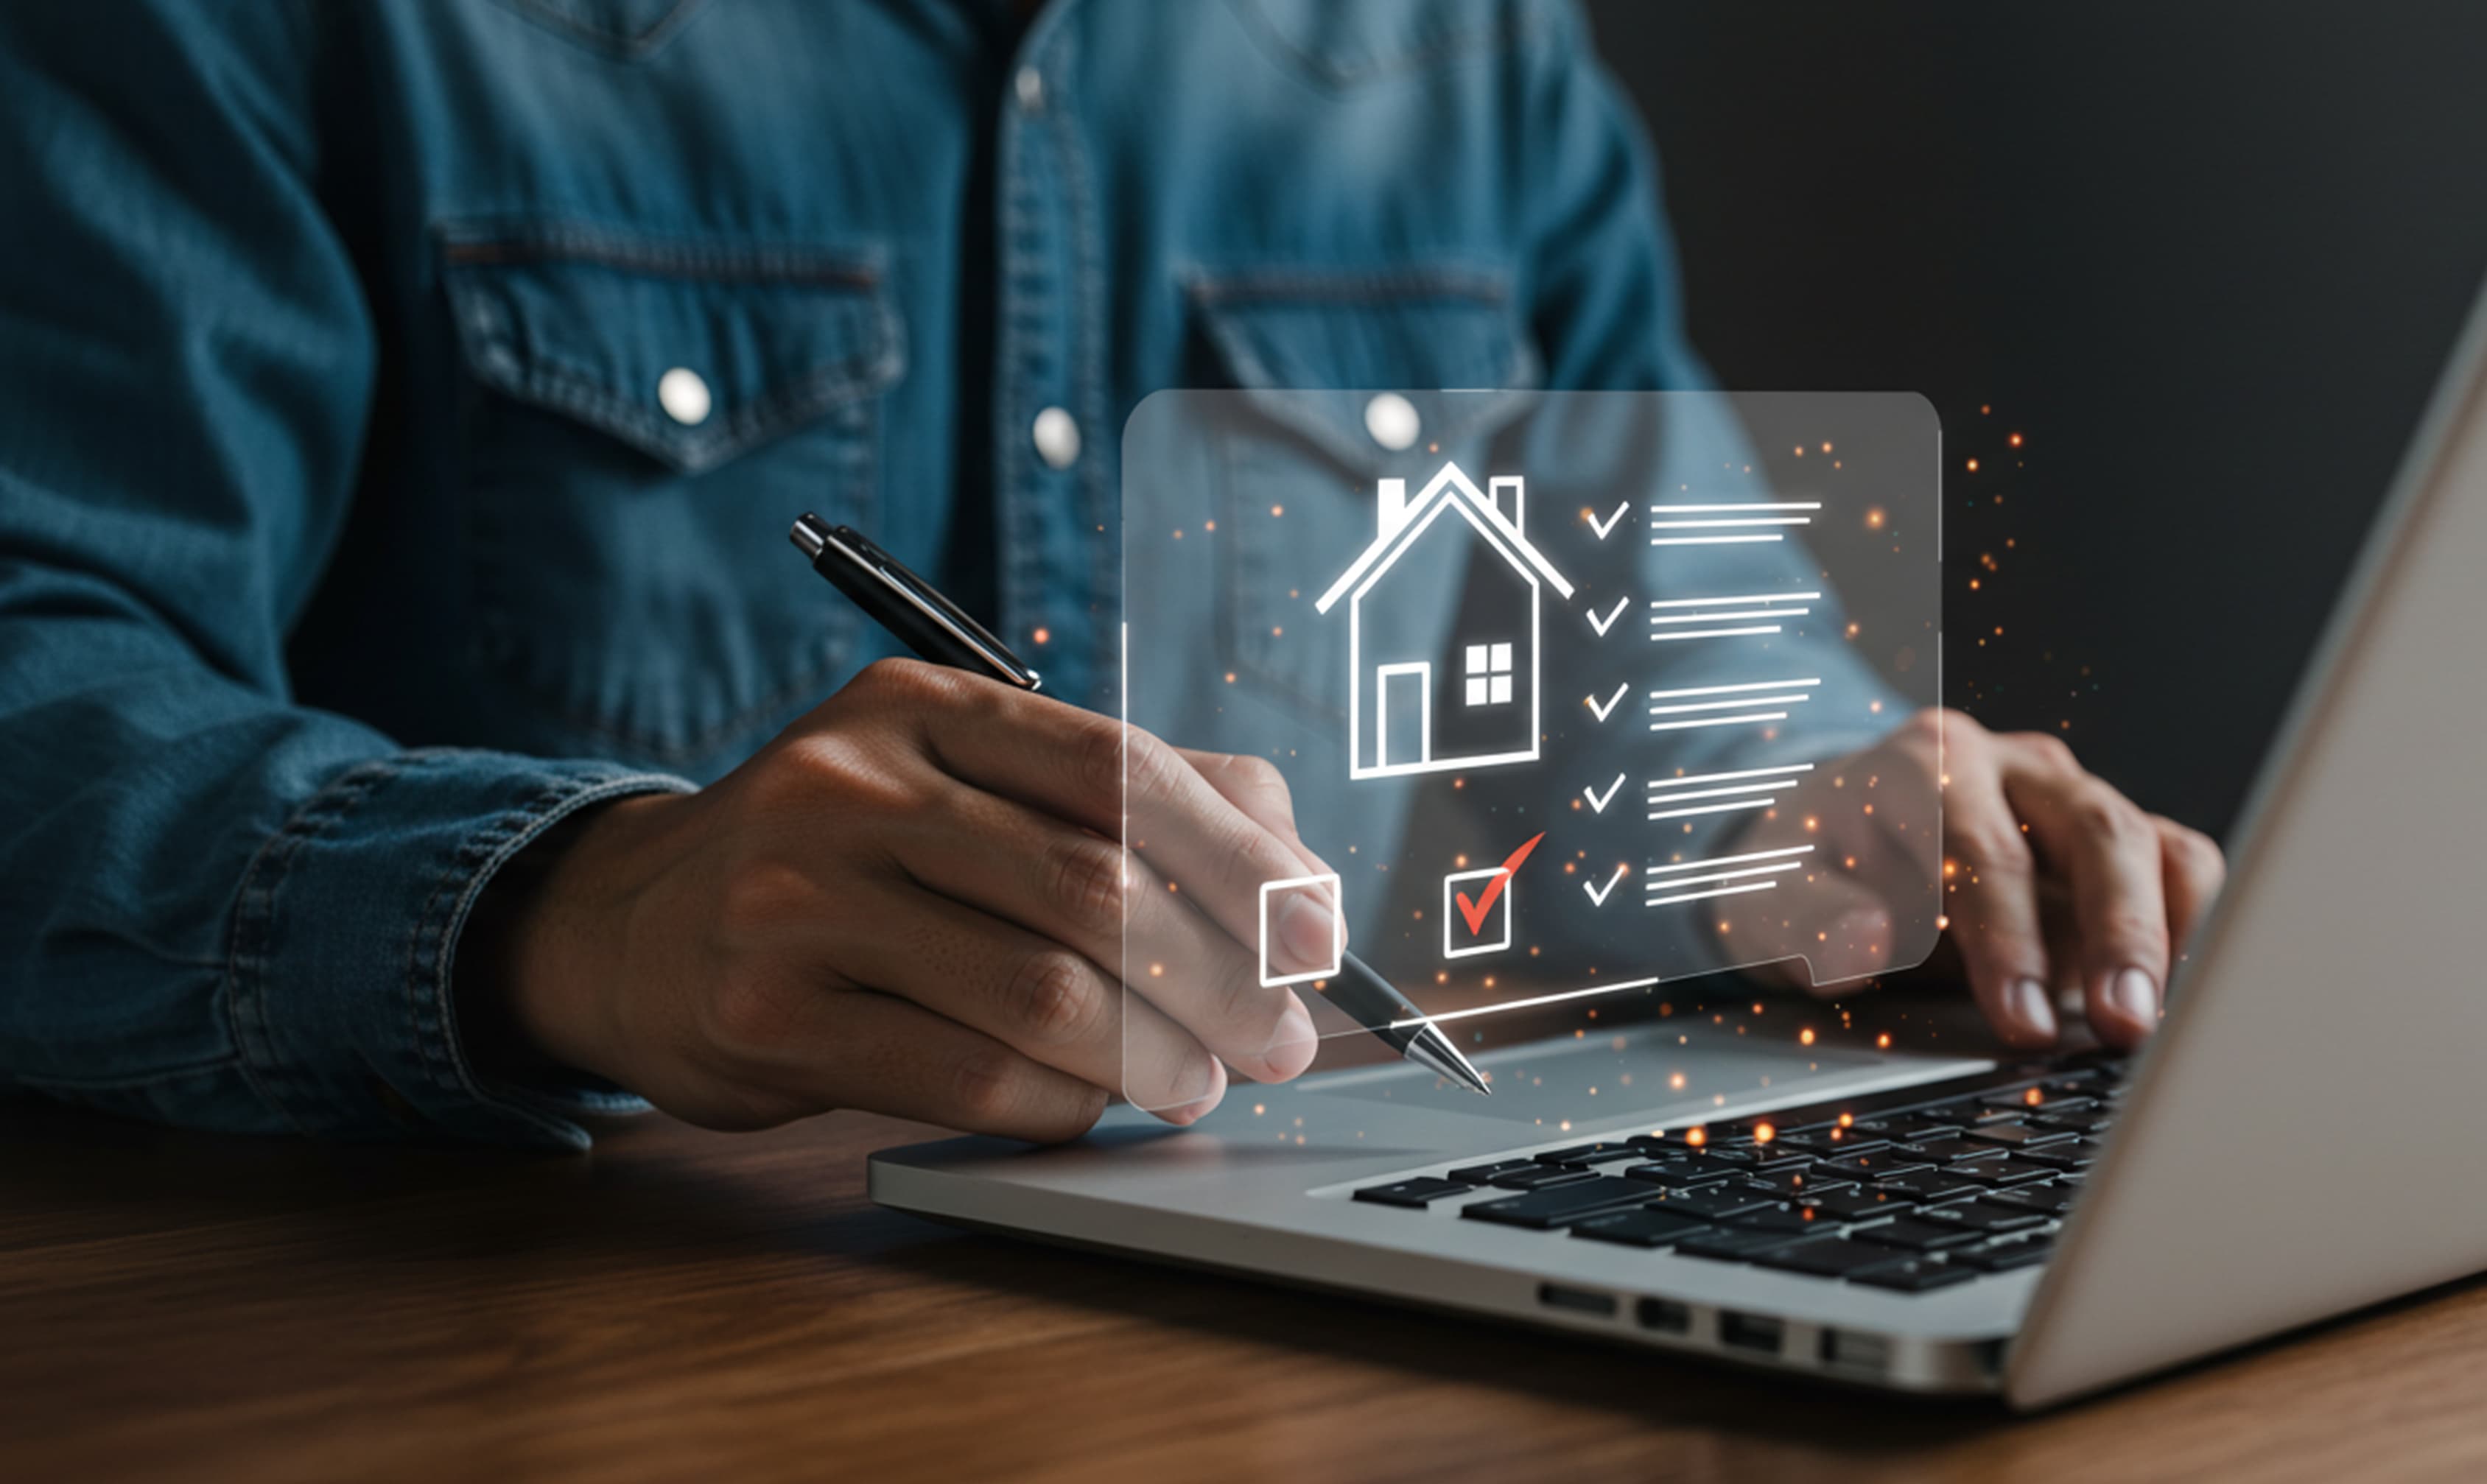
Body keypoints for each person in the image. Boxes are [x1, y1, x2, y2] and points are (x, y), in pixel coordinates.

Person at [0, 0, 2223, 1151]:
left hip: (1299, 1359)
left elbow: (1678, 660)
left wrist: (1819, 819)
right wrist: (574, 915)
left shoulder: (1464, 50)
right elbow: (44, 655)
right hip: (543, 1392)